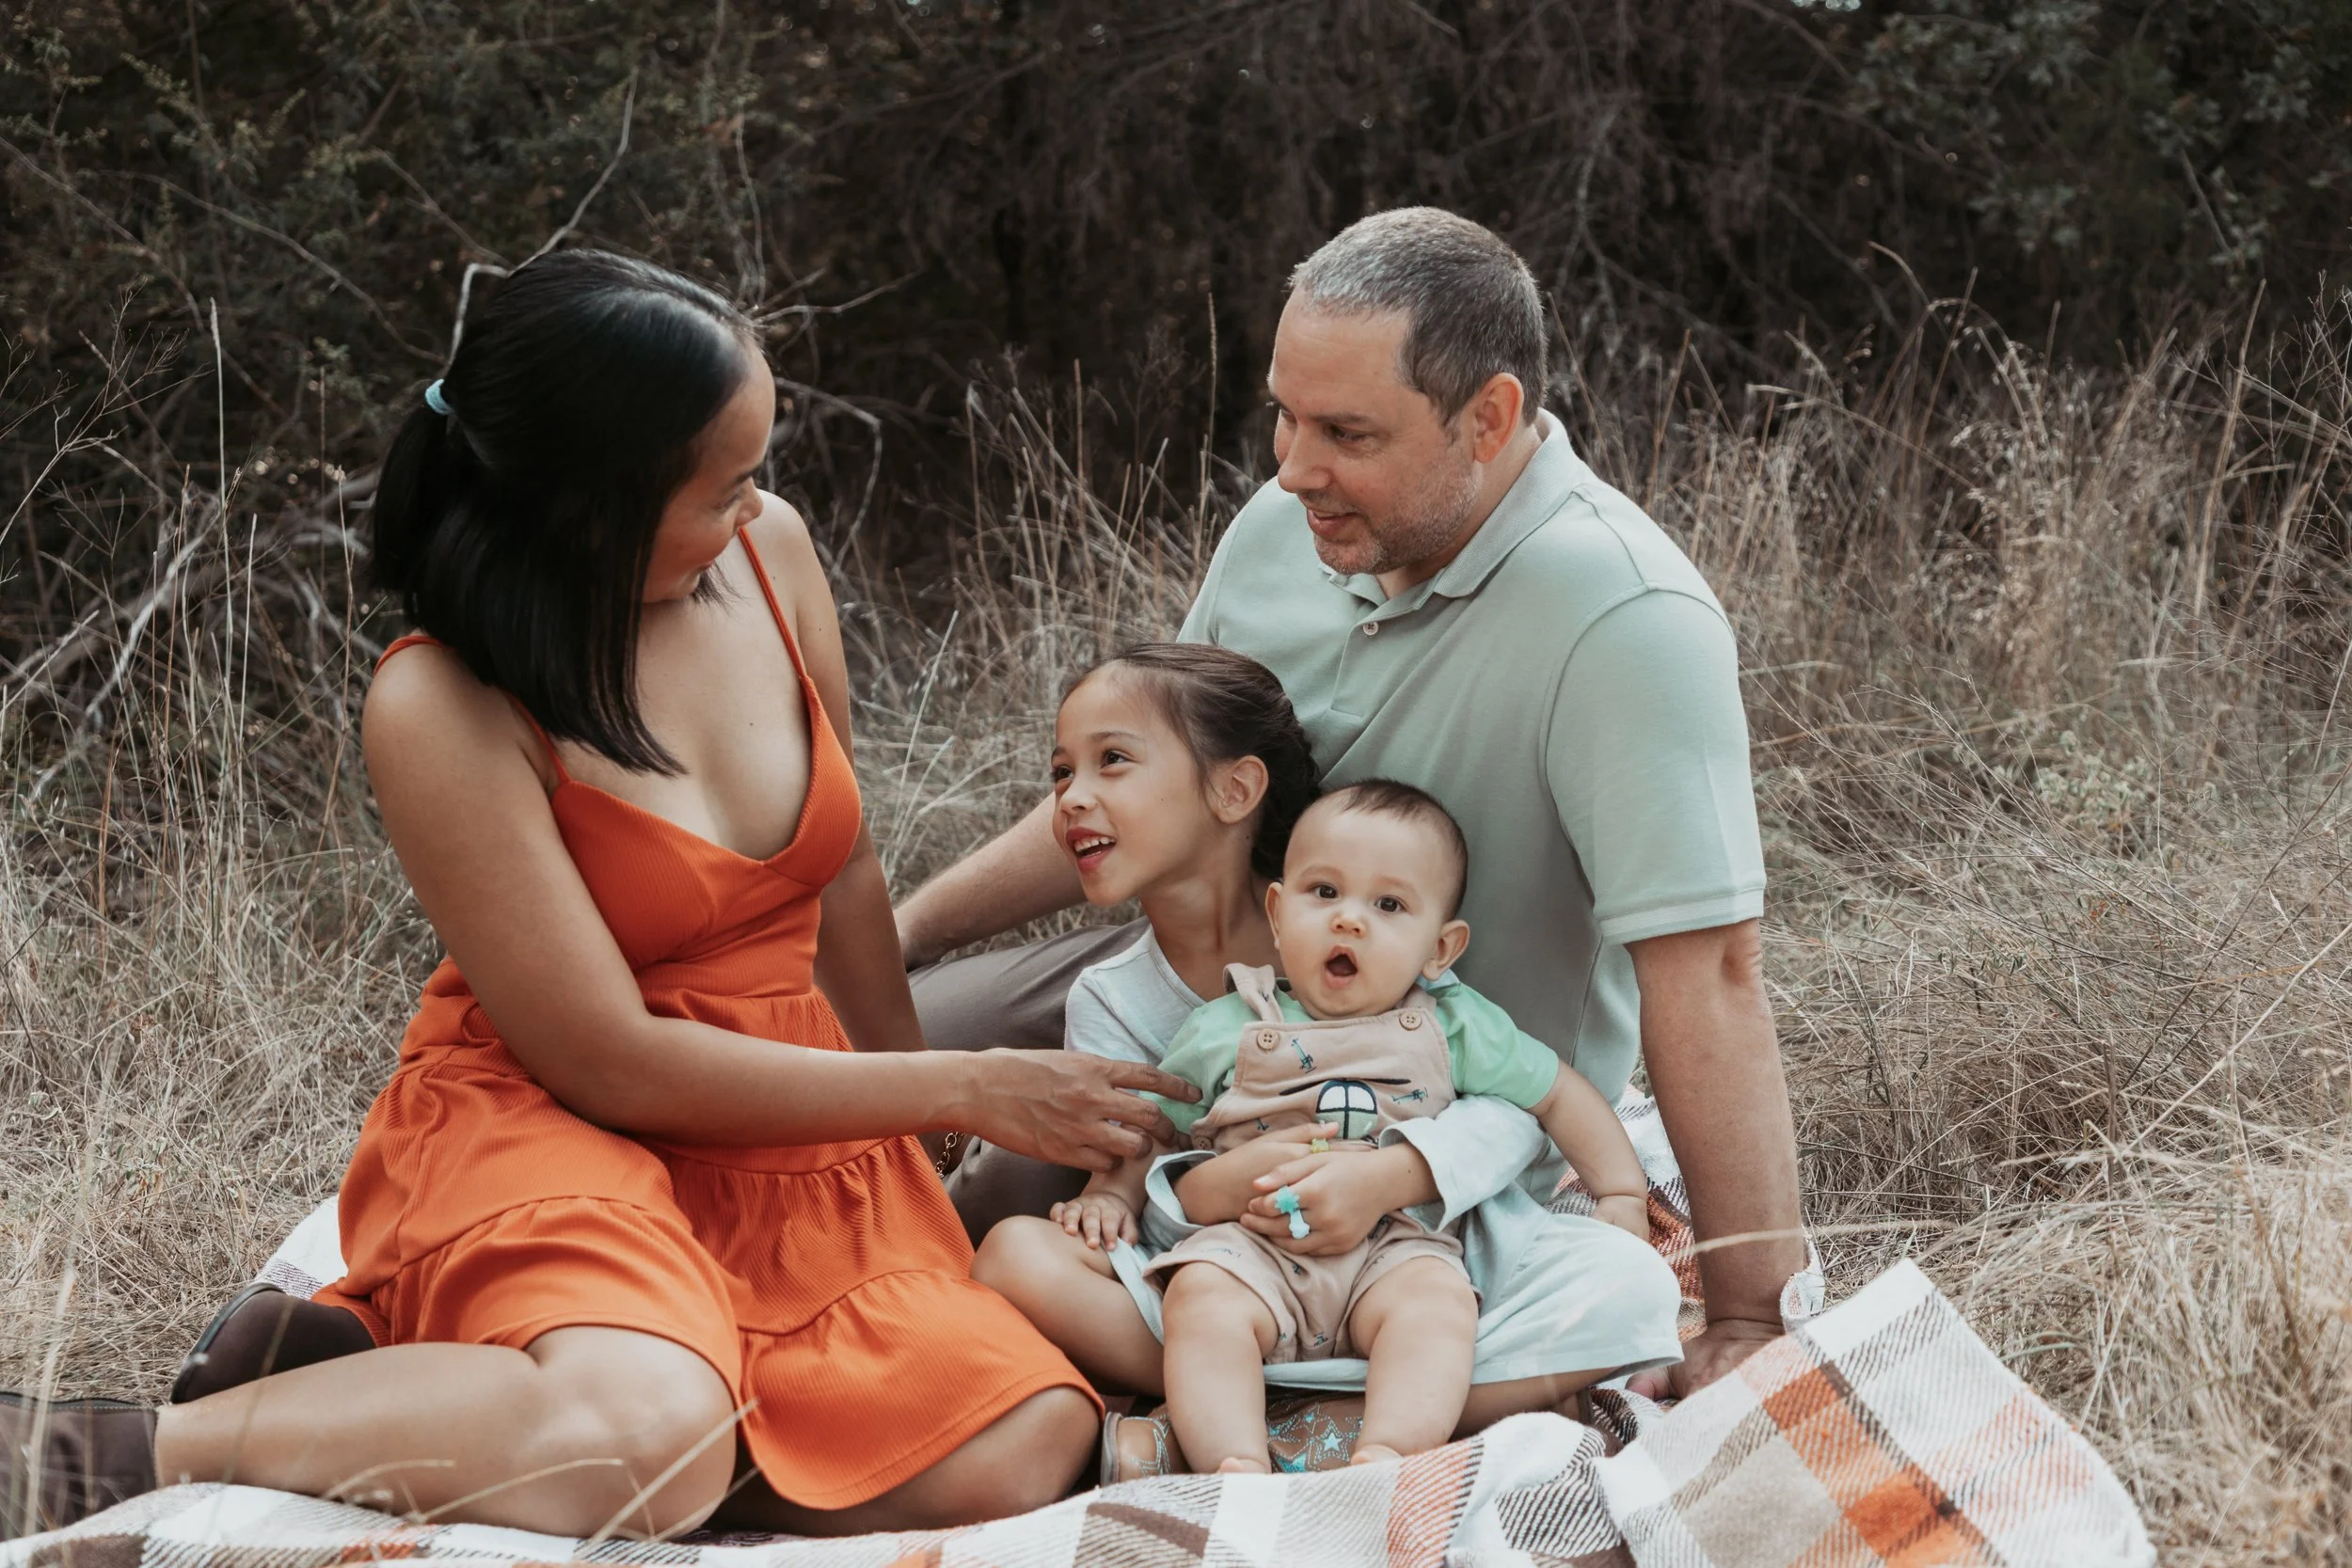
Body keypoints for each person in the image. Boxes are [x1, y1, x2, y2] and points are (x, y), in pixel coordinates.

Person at [0, 250, 1200, 1541]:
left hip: (778, 1097)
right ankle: (122, 1440)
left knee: (1022, 1436)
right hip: (562, 1106)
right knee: (650, 1433)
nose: (758, 510)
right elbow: (608, 1057)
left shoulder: (773, 555)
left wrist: (903, 1124)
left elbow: (844, 870)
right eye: (724, 485)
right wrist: (962, 1085)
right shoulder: (441, 698)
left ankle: (407, 1392)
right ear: (593, 507)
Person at [907, 207, 1808, 1402]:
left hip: (1407, 1086)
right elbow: (1153, 784)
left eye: (1345, 431)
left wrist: (1747, 1312)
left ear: (1486, 419)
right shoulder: (1284, 527)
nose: (1291, 466)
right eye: (1283, 413)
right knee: (862, 1031)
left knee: (1001, 1246)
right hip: (1185, 988)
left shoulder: (1625, 617)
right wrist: (898, 929)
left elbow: (1711, 966)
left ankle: (1191, 1404)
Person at [969, 646, 1678, 1478]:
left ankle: (1254, 1433)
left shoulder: (1388, 935)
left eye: (1112, 760)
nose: (1072, 796)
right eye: (1061, 772)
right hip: (1236, 1264)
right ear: (1283, 908)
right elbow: (1146, 1148)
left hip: (1403, 1259)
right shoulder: (1137, 1004)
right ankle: (1287, 1428)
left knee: (1629, 1286)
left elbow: (1521, 1102)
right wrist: (1170, 1192)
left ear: (1234, 790)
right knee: (1015, 1257)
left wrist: (1403, 1177)